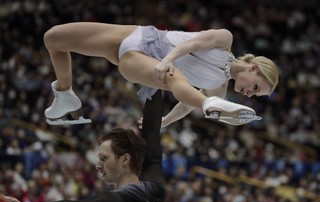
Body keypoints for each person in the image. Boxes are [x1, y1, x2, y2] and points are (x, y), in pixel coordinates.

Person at [0, 90, 166, 202]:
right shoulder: (154, 187)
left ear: (125, 160)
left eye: (104, 158)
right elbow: (151, 131)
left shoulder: (119, 201)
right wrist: (154, 83)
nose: (98, 166)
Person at [43, 22, 278, 126]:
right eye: (255, 88)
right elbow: (192, 45)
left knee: (174, 79)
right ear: (253, 68)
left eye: (254, 95)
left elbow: (185, 105)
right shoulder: (225, 39)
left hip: (151, 66)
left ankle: (208, 104)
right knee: (53, 39)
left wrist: (165, 121)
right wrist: (168, 59)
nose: (249, 93)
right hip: (143, 36)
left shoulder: (220, 88)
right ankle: (65, 95)